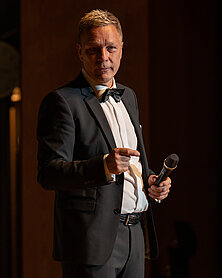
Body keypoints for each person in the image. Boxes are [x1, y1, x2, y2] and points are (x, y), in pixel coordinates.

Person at [37, 9, 171, 278]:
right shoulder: (62, 101)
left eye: (111, 48)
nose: (103, 57)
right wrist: (103, 166)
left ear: (122, 48)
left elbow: (134, 162)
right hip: (91, 239)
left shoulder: (129, 97)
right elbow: (49, 173)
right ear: (79, 51)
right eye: (93, 49)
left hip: (136, 232)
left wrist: (151, 181)